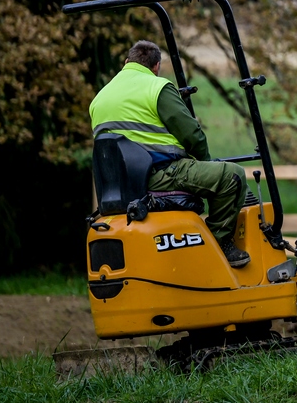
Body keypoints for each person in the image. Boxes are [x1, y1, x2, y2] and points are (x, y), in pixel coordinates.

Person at [90, 40, 251, 267]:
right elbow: (192, 134)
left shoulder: (99, 99)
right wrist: (206, 162)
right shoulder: (157, 88)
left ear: (127, 62)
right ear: (156, 67)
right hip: (161, 174)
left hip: (118, 187)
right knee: (231, 177)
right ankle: (218, 247)